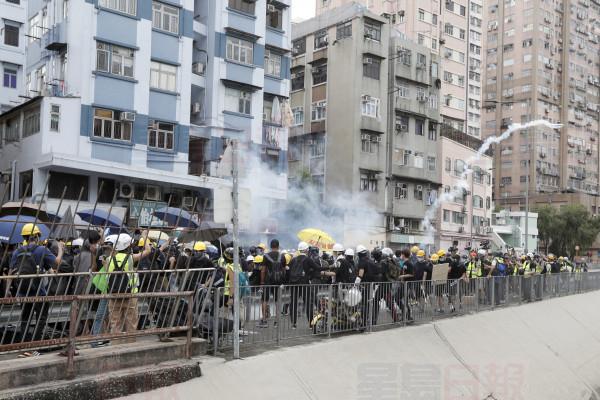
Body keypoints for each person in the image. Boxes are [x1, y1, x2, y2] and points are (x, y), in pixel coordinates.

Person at [10, 223, 64, 342]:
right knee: (41, 318)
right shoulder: (41, 250)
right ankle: (35, 343)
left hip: (23, 292)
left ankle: (24, 342)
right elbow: (57, 262)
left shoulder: (17, 252)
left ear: (24, 237)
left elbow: (11, 272)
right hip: (38, 292)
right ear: (37, 236)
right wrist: (60, 248)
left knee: (25, 319)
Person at [106, 233, 150, 344]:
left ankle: (115, 348)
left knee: (115, 324)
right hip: (130, 295)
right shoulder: (131, 258)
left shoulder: (108, 259)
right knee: (131, 324)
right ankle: (130, 347)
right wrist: (144, 236)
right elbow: (148, 250)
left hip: (113, 296)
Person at [258, 239, 286, 328]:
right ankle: (277, 321)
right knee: (277, 301)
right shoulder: (282, 256)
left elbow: (263, 270)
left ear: (271, 246)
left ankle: (264, 320)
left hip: (267, 282)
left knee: (264, 300)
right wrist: (282, 280)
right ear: (278, 246)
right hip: (278, 282)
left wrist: (262, 282)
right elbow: (284, 270)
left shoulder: (266, 256)